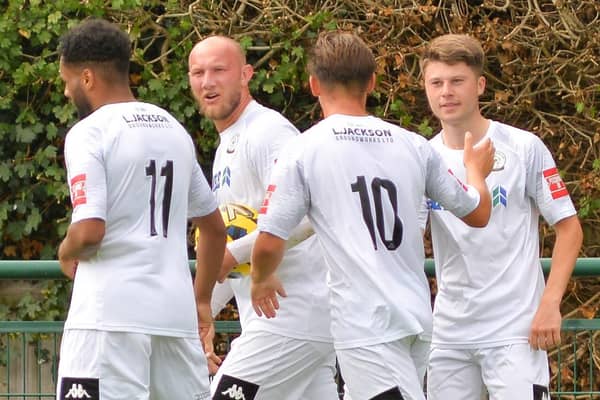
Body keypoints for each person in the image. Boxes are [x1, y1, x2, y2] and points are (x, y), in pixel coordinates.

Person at [250, 31, 495, 400]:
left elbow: (269, 240)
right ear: (372, 83)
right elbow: (477, 212)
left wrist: (260, 278)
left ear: (314, 85)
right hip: (415, 318)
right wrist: (475, 171)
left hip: (366, 324)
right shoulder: (412, 144)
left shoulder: (303, 149)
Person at [56, 19, 226, 400]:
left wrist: (65, 251)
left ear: (86, 77)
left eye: (67, 81)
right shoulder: (172, 129)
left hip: (108, 319)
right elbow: (214, 229)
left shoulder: (89, 132)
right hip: (175, 318)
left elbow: (89, 231)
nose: (67, 92)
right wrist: (200, 301)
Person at [420, 33, 583, 400]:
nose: (446, 91)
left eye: (457, 81)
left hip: (516, 329)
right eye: (437, 82)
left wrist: (550, 303)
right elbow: (409, 242)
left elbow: (569, 229)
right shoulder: (421, 158)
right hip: (448, 333)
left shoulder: (524, 146)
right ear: (426, 88)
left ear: (479, 85)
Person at [187, 36, 338, 400]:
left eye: (219, 70)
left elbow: (308, 213)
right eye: (198, 72)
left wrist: (234, 254)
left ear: (245, 75)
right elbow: (229, 256)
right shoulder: (227, 145)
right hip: (289, 323)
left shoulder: (268, 132)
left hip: (290, 318)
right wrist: (202, 307)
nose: (208, 82)